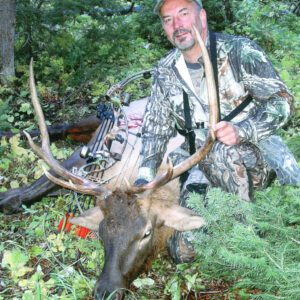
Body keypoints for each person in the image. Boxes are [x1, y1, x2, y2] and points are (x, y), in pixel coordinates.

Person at [134, 0, 300, 263]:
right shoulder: (165, 71)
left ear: (202, 16)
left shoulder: (239, 51)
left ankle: (250, 234)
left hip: (258, 157)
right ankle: (225, 223)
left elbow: (282, 101)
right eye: (168, 19)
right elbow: (155, 130)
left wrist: (243, 130)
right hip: (203, 165)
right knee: (182, 251)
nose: (177, 25)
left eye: (183, 13)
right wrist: (143, 176)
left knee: (222, 152)